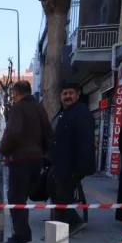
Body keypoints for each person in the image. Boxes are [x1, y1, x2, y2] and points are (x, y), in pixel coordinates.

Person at [0, 80, 53, 243]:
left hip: (20, 160)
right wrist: (42, 153)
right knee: (24, 196)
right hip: (36, 159)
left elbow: (14, 133)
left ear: (15, 93)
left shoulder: (18, 108)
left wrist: (4, 150)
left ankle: (20, 236)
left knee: (16, 198)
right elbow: (48, 133)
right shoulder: (40, 109)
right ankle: (23, 233)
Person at [49, 83, 96, 235]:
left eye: (70, 93)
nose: (67, 97)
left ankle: (72, 223)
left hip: (72, 164)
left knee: (62, 194)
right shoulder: (65, 112)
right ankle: (60, 222)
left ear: (77, 94)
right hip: (61, 162)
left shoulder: (81, 113)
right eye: (64, 94)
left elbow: (85, 142)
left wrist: (79, 168)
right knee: (55, 190)